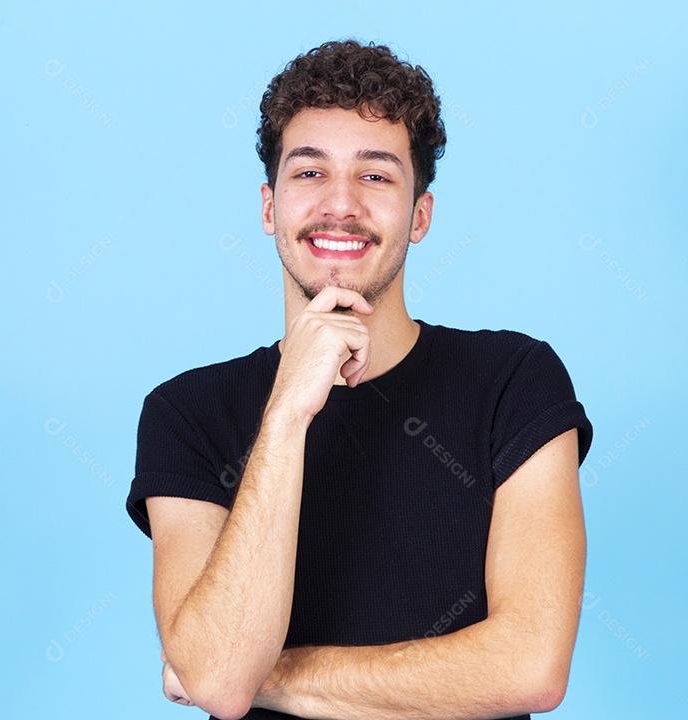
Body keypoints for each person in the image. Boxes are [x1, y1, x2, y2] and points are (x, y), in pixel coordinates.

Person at [125, 39, 593, 720]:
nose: (339, 206)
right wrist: (287, 410)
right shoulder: (188, 412)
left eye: (376, 176)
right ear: (269, 208)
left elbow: (530, 668)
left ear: (419, 216)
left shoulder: (513, 383)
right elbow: (221, 678)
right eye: (309, 173)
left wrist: (272, 675)